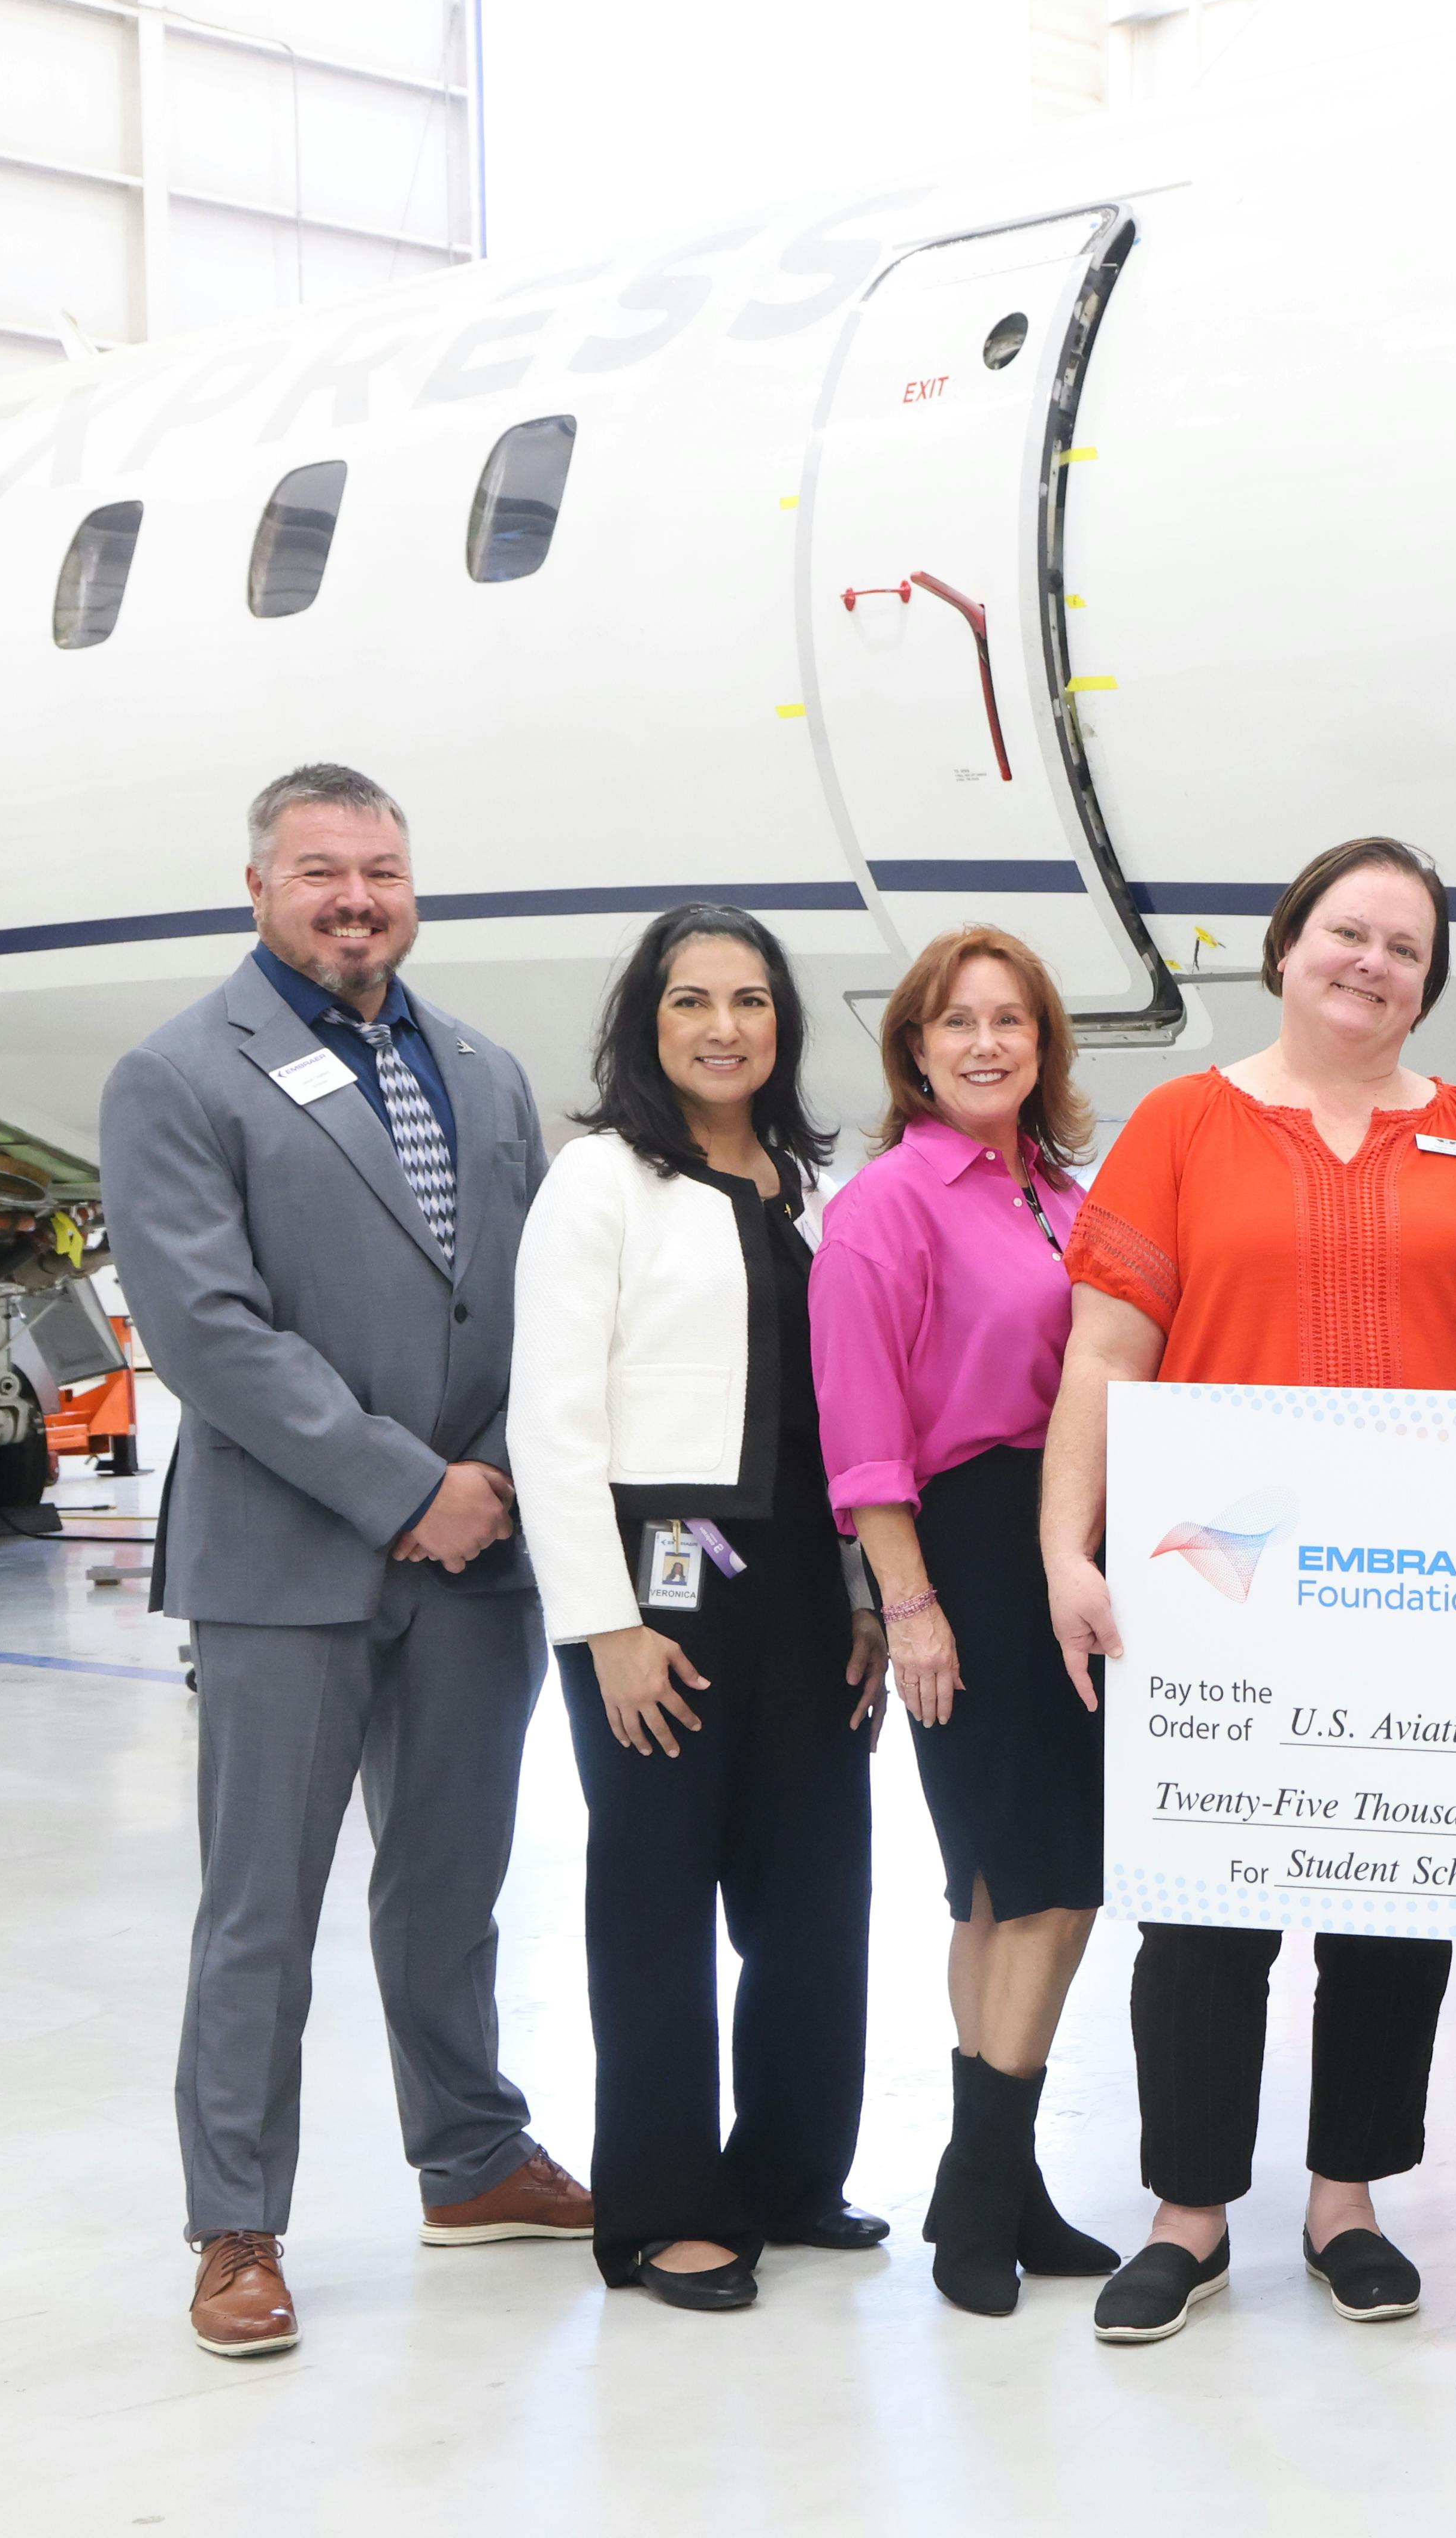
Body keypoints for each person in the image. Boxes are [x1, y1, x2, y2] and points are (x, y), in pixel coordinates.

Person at [101, 763, 591, 2360]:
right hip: (286, 1560)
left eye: (382, 869)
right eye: (322, 871)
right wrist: (405, 1488)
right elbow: (208, 1334)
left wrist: (499, 1477)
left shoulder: (485, 1072)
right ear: (258, 888)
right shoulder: (179, 1077)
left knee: (450, 1886)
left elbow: (538, 1309)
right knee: (262, 1906)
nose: (357, 898)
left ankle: (468, 2155)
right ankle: (235, 2227)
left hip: (482, 1553)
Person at [1040, 838, 1456, 2344]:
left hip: (1422, 1593)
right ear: (1284, 949)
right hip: (1221, 1590)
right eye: (1346, 932)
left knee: (1389, 1903)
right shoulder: (1183, 1125)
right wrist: (1068, 1550)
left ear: (1427, 984)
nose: (1371, 963)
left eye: (1404, 946)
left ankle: (1349, 2201)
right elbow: (1102, 1358)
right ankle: (1187, 2217)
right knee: (1203, 1907)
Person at [509, 904, 884, 2313]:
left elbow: (839, 1421)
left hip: (802, 1588)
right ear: (646, 1025)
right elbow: (549, 1420)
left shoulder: (808, 1186)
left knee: (815, 1897)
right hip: (654, 1590)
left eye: (749, 1000)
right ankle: (666, 2205)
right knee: (655, 1900)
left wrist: (860, 1596)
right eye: (691, 1002)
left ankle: (791, 2174)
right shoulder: (601, 1181)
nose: (723, 1026)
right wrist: (603, 1625)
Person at [815, 926, 1123, 2316]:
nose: (987, 1044)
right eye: (958, 1024)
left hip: (1068, 1545)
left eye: (1012, 1021)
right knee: (1020, 1882)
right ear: (916, 1049)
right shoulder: (888, 1202)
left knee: (1041, 1882)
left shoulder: (1062, 1196)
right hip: (969, 1548)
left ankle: (1001, 2181)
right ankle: (978, 2200)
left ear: (1045, 1043)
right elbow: (865, 1430)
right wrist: (912, 1603)